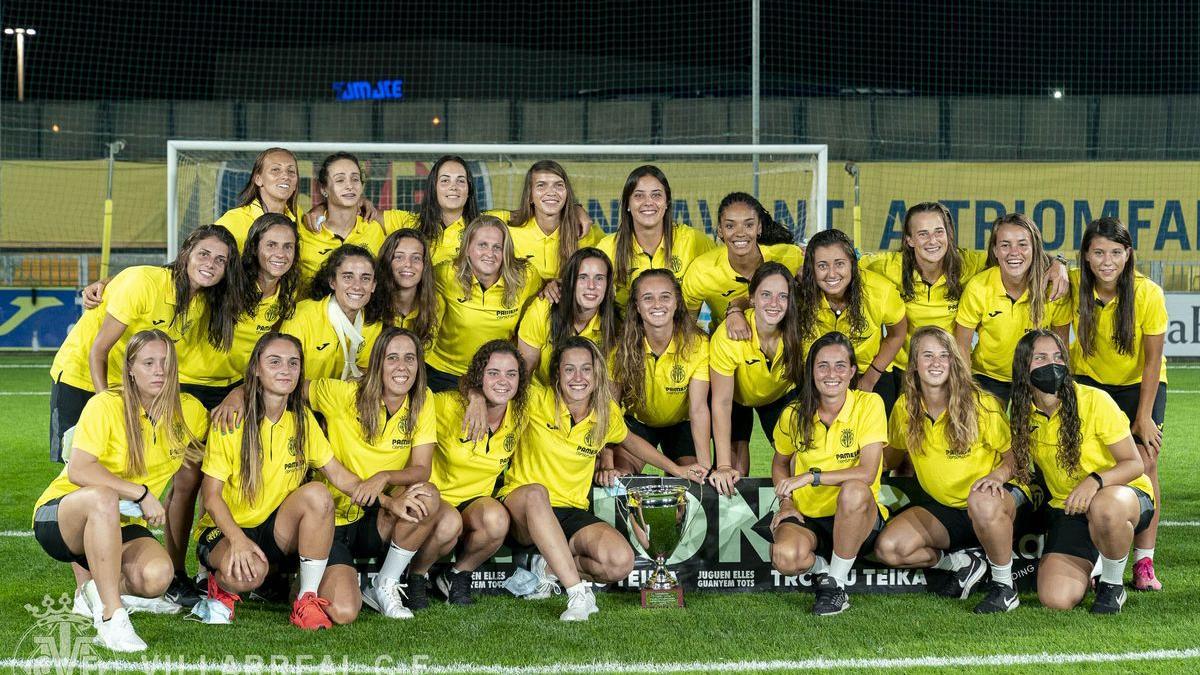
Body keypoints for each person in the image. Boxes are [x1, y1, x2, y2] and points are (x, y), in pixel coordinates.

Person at [49, 225, 242, 606]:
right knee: (85, 479)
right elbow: (98, 352)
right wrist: (110, 407)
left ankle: (117, 578)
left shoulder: (204, 303)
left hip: (130, 384)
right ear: (186, 251)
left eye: (220, 260)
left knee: (119, 478)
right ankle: (85, 590)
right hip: (84, 377)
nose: (211, 264)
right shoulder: (143, 282)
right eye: (204, 254)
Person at [497, 338, 706, 621]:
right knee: (536, 493)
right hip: (523, 509)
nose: (578, 378)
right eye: (569, 369)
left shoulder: (604, 411)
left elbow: (630, 441)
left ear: (597, 374)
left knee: (620, 562)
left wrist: (676, 469)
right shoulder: (534, 399)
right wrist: (474, 398)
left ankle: (545, 568)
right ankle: (576, 595)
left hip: (571, 510)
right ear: (557, 373)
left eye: (586, 369)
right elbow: (493, 387)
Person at [33, 330, 207, 651]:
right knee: (103, 497)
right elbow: (80, 469)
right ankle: (112, 616)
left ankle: (91, 594)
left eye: (166, 363)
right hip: (62, 517)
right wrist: (140, 493)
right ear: (130, 368)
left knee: (157, 576)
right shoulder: (106, 405)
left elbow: (212, 460)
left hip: (121, 524)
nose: (159, 371)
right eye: (149, 362)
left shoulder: (190, 412)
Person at [193, 333, 366, 629]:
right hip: (226, 530)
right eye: (274, 362)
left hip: (275, 528)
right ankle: (218, 585)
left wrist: (389, 500)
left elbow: (339, 476)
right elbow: (211, 496)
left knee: (318, 494)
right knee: (248, 575)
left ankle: (306, 598)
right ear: (257, 369)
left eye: (293, 363)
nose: (285, 369)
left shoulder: (302, 420)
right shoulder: (232, 419)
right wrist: (237, 540)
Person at [872, 327, 1027, 613]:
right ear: (914, 364)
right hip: (946, 511)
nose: (936, 362)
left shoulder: (981, 405)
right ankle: (963, 563)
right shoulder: (905, 408)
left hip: (994, 503)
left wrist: (997, 476)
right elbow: (889, 458)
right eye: (927, 355)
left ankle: (1005, 586)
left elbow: (1016, 457)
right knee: (889, 548)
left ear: (954, 362)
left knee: (980, 499)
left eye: (944, 355)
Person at [1007, 330, 1154, 614]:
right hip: (1070, 507)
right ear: (1024, 367)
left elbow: (1134, 464)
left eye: (1058, 357)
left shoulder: (1096, 401)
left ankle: (1112, 584)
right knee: (1056, 599)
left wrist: (1095, 481)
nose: (1052, 364)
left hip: (1123, 497)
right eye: (1040, 358)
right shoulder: (1021, 411)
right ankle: (1097, 558)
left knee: (1105, 507)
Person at [308, 328, 442, 622]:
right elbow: (287, 385)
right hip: (333, 520)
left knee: (428, 495)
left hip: (378, 518)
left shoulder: (423, 400)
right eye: (392, 358)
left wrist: (384, 476)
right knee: (343, 612)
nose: (402, 367)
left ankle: (386, 583)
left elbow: (422, 468)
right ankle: (302, 582)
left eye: (410, 358)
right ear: (378, 363)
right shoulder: (341, 394)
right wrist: (238, 397)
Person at [1069, 217, 1168, 591]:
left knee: (1145, 462)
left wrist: (1143, 416)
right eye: (1098, 252)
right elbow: (1061, 344)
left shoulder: (1148, 293)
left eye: (1115, 252)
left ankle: (1144, 563)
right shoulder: (1074, 287)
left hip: (1137, 384)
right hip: (1089, 382)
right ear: (1087, 256)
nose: (1107, 261)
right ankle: (1097, 556)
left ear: (1128, 254)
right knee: (1091, 462)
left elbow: (1151, 361)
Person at [861, 202, 1069, 378]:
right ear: (909, 240)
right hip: (905, 369)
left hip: (950, 370)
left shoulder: (970, 264)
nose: (932, 241)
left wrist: (1058, 263)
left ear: (949, 234)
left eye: (938, 231)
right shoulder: (888, 266)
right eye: (923, 233)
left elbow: (1015, 256)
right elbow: (847, 262)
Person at [768, 331, 888, 617]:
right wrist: (787, 502)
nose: (831, 374)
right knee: (784, 558)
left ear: (852, 372)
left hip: (859, 516)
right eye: (822, 366)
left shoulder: (869, 405)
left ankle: (835, 585)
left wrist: (811, 476)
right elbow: (780, 462)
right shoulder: (794, 414)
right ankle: (831, 568)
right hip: (809, 515)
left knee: (855, 489)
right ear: (811, 372)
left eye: (840, 366)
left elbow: (868, 472)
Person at [417, 341, 530, 606]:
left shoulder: (522, 411)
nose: (503, 381)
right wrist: (474, 396)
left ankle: (457, 574)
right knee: (449, 524)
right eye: (493, 373)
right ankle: (416, 576)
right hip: (436, 500)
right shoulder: (445, 405)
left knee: (497, 521)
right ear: (479, 376)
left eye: (511, 374)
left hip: (474, 503)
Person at [955, 213, 1072, 404]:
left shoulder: (1054, 287)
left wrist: (1059, 389)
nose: (1014, 252)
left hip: (1037, 375)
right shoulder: (979, 287)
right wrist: (966, 391)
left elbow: (1062, 346)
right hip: (988, 377)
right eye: (1005, 245)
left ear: (1035, 248)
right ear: (994, 251)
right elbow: (962, 345)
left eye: (1022, 244)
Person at [708, 263, 804, 493]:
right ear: (751, 298)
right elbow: (721, 403)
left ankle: (800, 516)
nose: (774, 303)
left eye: (783, 296)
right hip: (735, 398)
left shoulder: (801, 330)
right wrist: (722, 466)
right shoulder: (729, 336)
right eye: (766, 295)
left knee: (798, 461)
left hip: (779, 394)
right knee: (734, 471)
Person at [609, 269, 712, 474]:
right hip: (638, 424)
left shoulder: (698, 344)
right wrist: (606, 463)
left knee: (690, 479)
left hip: (681, 425)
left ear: (677, 302)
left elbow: (699, 409)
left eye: (665, 297)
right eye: (648, 298)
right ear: (637, 306)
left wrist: (705, 467)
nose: (657, 304)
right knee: (621, 477)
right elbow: (610, 411)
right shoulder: (619, 348)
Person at [796, 228, 907, 413]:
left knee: (881, 440)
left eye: (839, 264)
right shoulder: (799, 292)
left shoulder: (880, 291)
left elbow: (897, 334)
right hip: (819, 375)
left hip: (868, 371)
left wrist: (870, 379)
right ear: (811, 269)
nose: (832, 274)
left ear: (852, 264)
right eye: (822, 266)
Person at [425, 215, 539, 392]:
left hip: (494, 375)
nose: (490, 253)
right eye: (482, 245)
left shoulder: (525, 277)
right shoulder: (446, 274)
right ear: (468, 248)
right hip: (444, 372)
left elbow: (548, 292)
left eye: (497, 247)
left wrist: (554, 285)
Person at [682, 191, 801, 335]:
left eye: (749, 225)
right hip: (727, 344)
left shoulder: (790, 256)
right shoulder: (702, 271)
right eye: (730, 226)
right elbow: (687, 326)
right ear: (720, 230)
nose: (740, 233)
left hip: (781, 341)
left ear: (759, 228)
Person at [597, 165, 715, 308]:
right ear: (627, 204)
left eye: (656, 195)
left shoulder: (693, 241)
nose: (648, 202)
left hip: (681, 330)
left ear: (667, 203)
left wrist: (734, 310)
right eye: (639, 195)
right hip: (626, 329)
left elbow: (725, 272)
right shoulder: (608, 248)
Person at [517, 247, 619, 385]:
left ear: (608, 285)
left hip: (590, 402)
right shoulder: (543, 308)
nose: (591, 286)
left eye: (599, 278)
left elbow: (611, 392)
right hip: (544, 399)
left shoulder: (615, 325)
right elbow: (524, 373)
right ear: (570, 281)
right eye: (582, 277)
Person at [281, 245, 383, 381]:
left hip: (345, 399)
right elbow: (282, 374)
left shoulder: (373, 323)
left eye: (365, 278)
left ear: (373, 285)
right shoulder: (300, 316)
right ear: (332, 281)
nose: (357, 286)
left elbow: (365, 369)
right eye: (348, 277)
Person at [505, 160, 604, 285]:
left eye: (559, 185)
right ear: (529, 196)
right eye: (541, 185)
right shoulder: (509, 231)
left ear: (567, 194)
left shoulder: (586, 231)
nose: (551, 192)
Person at [297, 152, 384, 288]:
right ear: (324, 188)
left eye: (355, 179)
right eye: (340, 180)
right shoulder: (304, 232)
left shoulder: (375, 230)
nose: (350, 186)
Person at [381, 155, 486, 265]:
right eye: (445, 180)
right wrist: (364, 202)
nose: (453, 187)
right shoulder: (410, 222)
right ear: (434, 188)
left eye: (460, 181)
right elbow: (368, 214)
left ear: (469, 190)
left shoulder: (484, 229)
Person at [215, 147, 303, 251]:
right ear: (258, 179)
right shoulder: (233, 221)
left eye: (291, 171)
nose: (285, 176)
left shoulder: (300, 218)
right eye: (275, 170)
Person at [369, 228, 439, 346]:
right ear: (387, 261)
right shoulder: (369, 305)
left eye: (416, 258)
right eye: (399, 257)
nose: (408, 264)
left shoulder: (436, 305)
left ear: (424, 265)